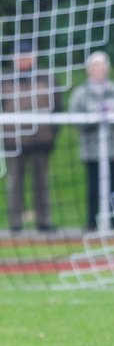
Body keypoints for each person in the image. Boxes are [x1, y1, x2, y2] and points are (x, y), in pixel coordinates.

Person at [68, 51, 114, 232]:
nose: (98, 70)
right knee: (93, 186)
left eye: (101, 66)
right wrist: (91, 121)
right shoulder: (81, 93)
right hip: (92, 148)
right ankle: (92, 222)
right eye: (94, 67)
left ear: (107, 68)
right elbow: (74, 118)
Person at [2, 40, 61, 233]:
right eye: (20, 57)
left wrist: (51, 134)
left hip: (40, 140)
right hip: (14, 140)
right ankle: (16, 222)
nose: (24, 60)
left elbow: (58, 108)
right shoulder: (5, 80)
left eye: (27, 56)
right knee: (14, 183)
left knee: (41, 183)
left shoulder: (46, 78)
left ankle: (44, 221)